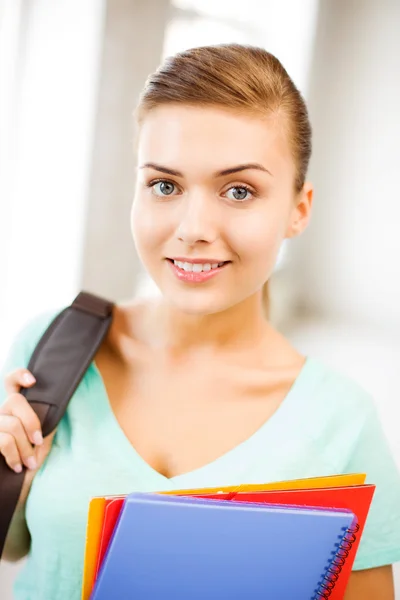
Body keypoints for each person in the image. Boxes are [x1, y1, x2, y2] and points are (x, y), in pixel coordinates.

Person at [1, 44, 400, 600]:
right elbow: (13, 546)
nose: (193, 227)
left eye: (239, 191)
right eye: (165, 185)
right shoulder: (51, 349)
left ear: (298, 209)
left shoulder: (342, 425)